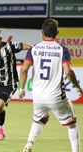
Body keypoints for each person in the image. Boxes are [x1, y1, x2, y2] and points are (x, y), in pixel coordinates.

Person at [18, 18, 83, 152]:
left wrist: (22, 88)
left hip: (37, 96)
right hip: (56, 96)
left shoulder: (34, 49)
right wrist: (77, 86)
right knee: (72, 124)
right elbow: (68, 72)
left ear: (42, 32)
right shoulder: (62, 50)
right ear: (57, 32)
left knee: (40, 119)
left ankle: (29, 143)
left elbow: (24, 69)